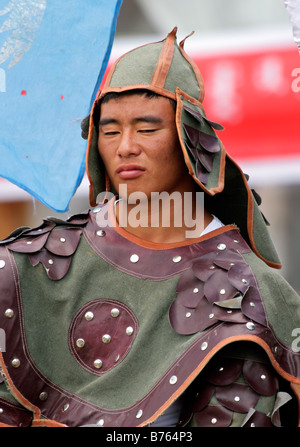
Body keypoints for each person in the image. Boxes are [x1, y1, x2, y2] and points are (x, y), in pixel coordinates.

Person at [0, 27, 300, 428]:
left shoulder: (247, 293)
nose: (125, 146)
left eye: (146, 129)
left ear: (190, 142)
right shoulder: (25, 263)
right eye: (109, 131)